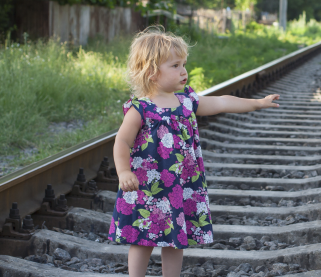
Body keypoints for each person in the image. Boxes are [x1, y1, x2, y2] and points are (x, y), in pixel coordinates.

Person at [107, 25, 280, 277]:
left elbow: (221, 101)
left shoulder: (187, 101)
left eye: (183, 64)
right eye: (175, 66)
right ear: (152, 72)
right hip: (147, 184)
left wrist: (257, 103)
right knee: (142, 237)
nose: (183, 71)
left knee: (177, 236)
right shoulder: (140, 108)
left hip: (180, 184)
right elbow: (121, 142)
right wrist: (123, 171)